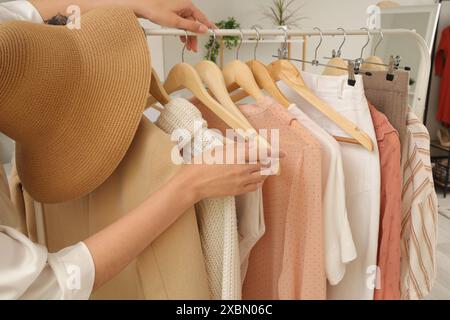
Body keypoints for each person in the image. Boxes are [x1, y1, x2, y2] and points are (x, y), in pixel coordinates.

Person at [0, 0, 282, 299]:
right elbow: (53, 284)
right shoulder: (174, 152)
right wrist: (190, 186)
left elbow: (18, 14)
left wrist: (138, 4)